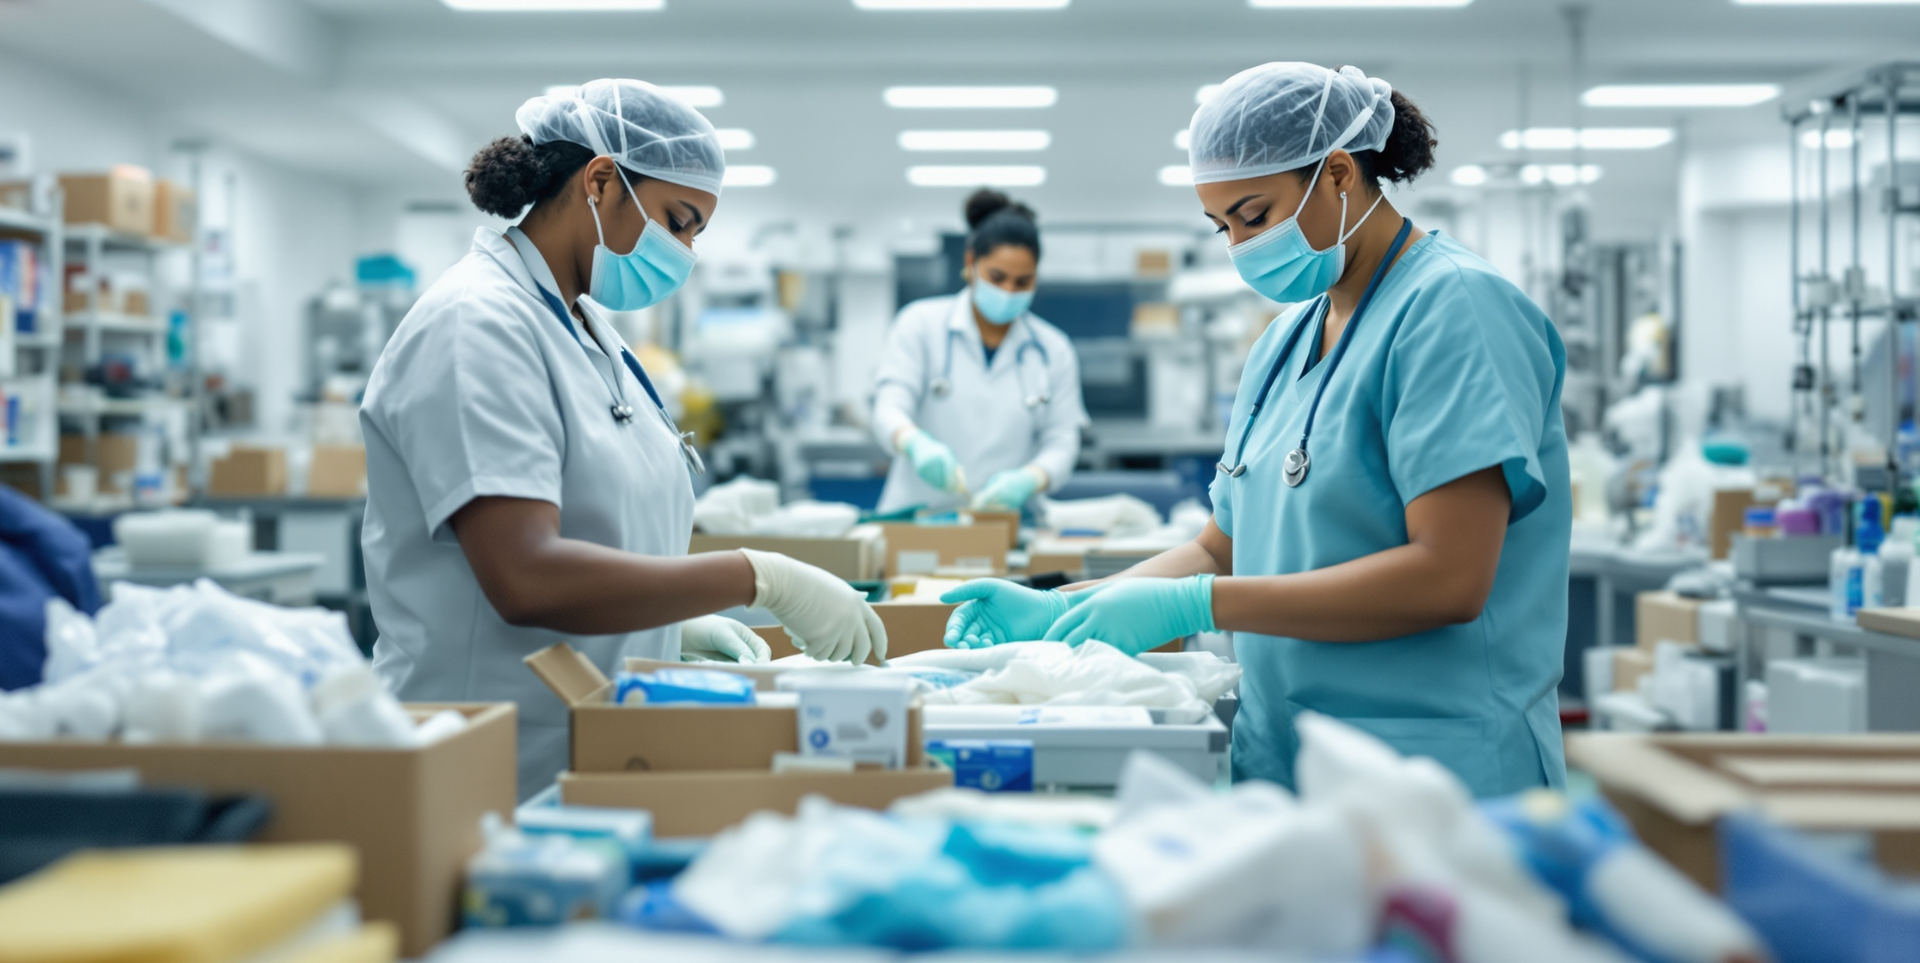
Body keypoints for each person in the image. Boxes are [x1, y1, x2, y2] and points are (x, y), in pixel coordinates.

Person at [940, 63, 1571, 799]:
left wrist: (1198, 603)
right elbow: (1223, 544)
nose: (1240, 246)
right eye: (1223, 227)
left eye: (1255, 215)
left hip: (1436, 769)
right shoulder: (1283, 343)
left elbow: (1449, 576)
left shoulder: (1455, 309)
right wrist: (1067, 604)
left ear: (1339, 175)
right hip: (1288, 756)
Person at [360, 80, 886, 797]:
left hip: (583, 741)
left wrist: (669, 625)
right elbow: (526, 575)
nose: (685, 251)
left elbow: (604, 528)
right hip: (487, 758)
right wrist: (758, 577)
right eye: (678, 219)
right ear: (601, 180)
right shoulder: (476, 323)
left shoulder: (584, 327)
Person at [870, 190, 1087, 514]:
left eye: (1022, 282)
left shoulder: (1052, 349)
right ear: (971, 262)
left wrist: (1030, 478)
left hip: (1006, 523)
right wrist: (915, 443)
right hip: (917, 518)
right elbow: (889, 408)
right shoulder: (920, 324)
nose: (1008, 291)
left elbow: (1063, 441)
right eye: (997, 277)